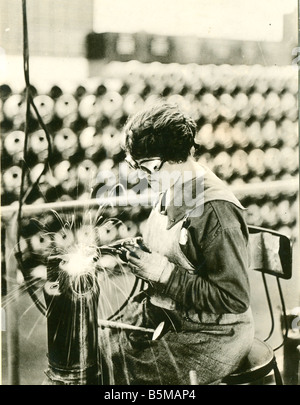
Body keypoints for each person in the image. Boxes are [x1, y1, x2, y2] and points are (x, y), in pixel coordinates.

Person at [101, 102, 254, 385]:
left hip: (212, 337)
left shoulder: (216, 212)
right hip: (172, 317)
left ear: (180, 156)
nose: (142, 177)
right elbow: (182, 248)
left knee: (112, 372)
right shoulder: (176, 185)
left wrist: (162, 274)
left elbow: (233, 298)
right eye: (137, 167)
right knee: (95, 348)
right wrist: (142, 252)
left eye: (149, 168)